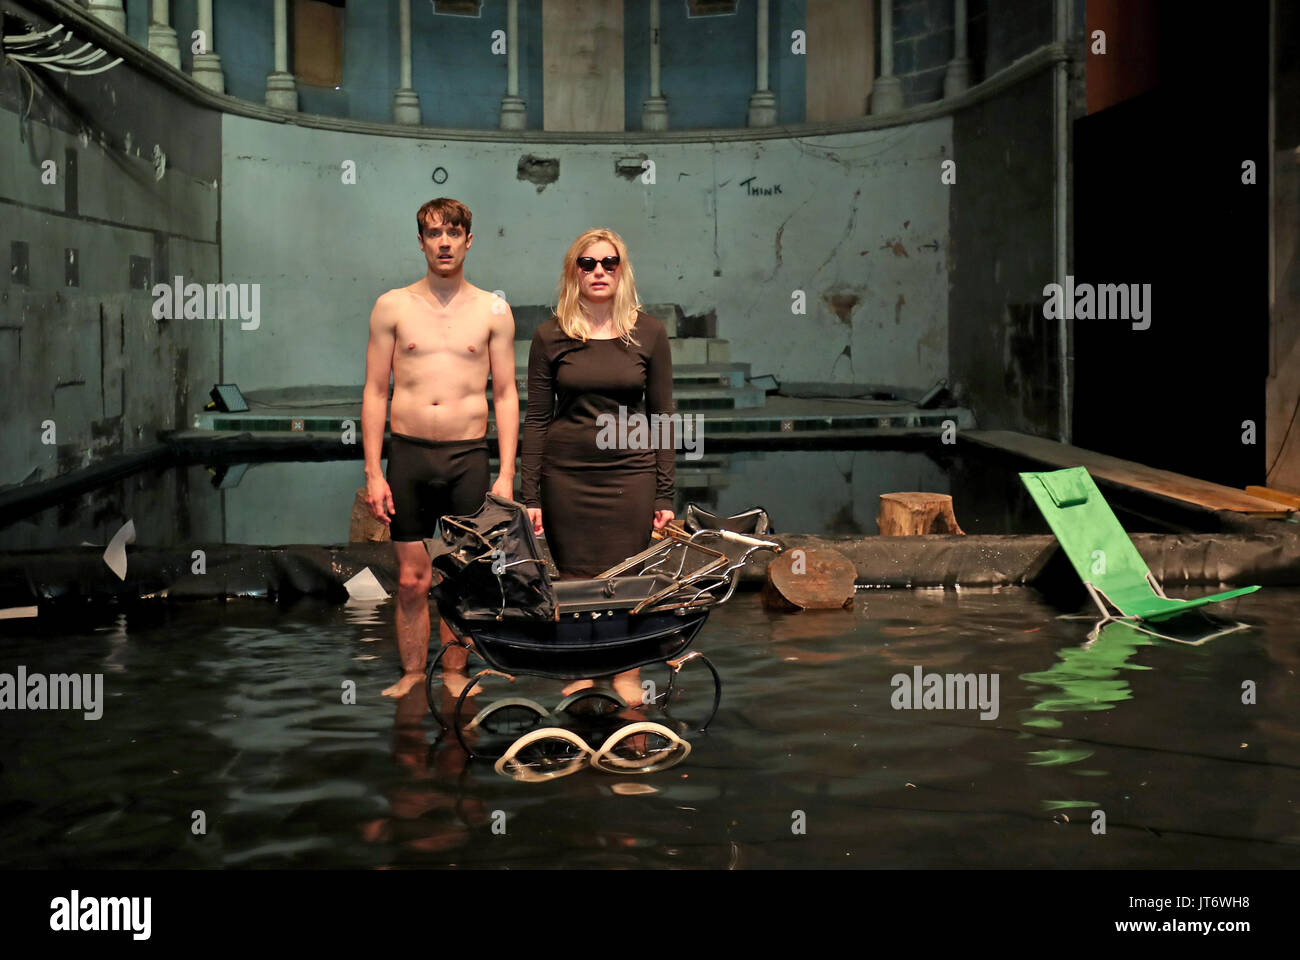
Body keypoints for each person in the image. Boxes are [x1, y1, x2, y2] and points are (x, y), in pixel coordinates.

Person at [362, 198, 518, 699]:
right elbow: (375, 391)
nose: (444, 242)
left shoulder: (493, 309)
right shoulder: (392, 305)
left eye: (454, 233)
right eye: (434, 234)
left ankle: (454, 673)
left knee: (463, 577)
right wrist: (372, 471)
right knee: (411, 579)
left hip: (467, 457)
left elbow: (506, 394)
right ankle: (411, 673)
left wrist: (507, 473)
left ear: (469, 240)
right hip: (407, 456)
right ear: (422, 241)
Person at [520, 227, 675, 567]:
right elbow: (537, 419)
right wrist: (529, 495)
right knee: (575, 586)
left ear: (622, 270)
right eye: (587, 263)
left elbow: (662, 416)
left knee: (624, 585)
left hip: (630, 476)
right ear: (573, 272)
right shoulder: (550, 335)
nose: (599, 271)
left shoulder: (650, 333)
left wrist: (664, 493)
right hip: (566, 479)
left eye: (609, 262)